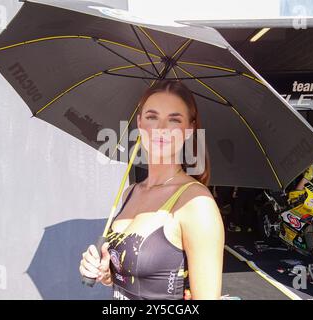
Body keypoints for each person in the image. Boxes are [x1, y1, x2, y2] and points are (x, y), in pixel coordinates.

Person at [79, 80, 225, 300]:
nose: (161, 129)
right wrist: (105, 273)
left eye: (174, 120)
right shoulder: (130, 193)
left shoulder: (196, 204)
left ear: (189, 129)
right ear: (139, 122)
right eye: (152, 117)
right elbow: (130, 279)